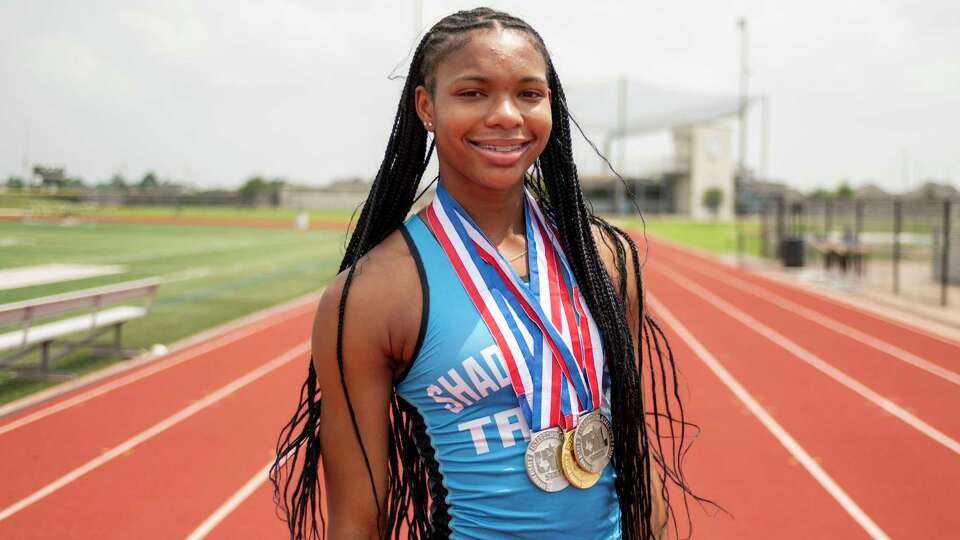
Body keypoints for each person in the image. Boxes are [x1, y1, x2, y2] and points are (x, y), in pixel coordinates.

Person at [272, 7, 699, 539]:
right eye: (473, 93)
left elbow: (638, 460)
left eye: (528, 93)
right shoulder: (372, 295)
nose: (505, 115)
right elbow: (357, 520)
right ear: (427, 107)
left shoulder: (605, 258)